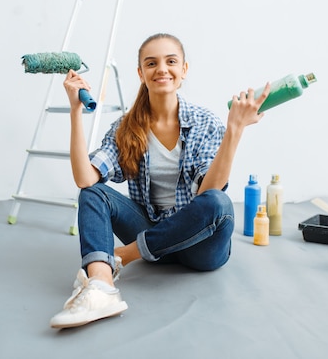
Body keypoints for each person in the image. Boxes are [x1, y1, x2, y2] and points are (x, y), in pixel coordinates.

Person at [50, 33, 270, 329]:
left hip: (199, 248)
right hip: (150, 232)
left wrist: (235, 130)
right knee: (93, 193)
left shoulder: (205, 123)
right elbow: (85, 178)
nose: (162, 69)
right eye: (151, 63)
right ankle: (101, 288)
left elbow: (209, 192)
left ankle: (119, 258)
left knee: (219, 202)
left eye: (171, 61)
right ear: (141, 73)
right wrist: (76, 112)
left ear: (184, 70)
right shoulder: (126, 127)